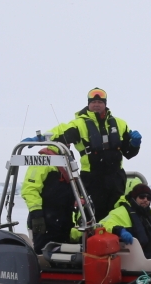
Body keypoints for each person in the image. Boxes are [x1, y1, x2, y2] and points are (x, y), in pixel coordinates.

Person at [51, 88, 141, 220]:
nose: (96, 104)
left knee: (117, 215)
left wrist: (135, 143)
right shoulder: (78, 124)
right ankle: (91, 239)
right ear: (88, 104)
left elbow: (128, 152)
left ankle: (117, 239)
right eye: (93, 102)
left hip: (115, 179)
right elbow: (58, 133)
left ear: (105, 104)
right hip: (92, 180)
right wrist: (40, 138)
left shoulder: (120, 124)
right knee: (92, 215)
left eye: (100, 101)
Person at [100, 183, 151, 271]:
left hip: (145, 252)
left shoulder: (147, 213)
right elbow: (102, 224)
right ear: (134, 197)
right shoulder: (121, 212)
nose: (145, 200)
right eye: (142, 197)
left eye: (148, 198)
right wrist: (119, 230)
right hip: (133, 255)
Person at [21, 146, 78, 246]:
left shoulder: (67, 162)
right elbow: (29, 189)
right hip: (44, 222)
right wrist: (37, 215)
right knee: (43, 254)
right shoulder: (42, 161)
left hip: (64, 221)